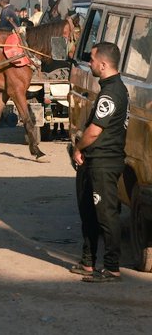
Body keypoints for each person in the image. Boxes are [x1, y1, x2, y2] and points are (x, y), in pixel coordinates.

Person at [71, 42, 128, 283]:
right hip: (94, 160)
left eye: (92, 60)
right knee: (89, 213)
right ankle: (88, 262)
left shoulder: (112, 92)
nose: (90, 63)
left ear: (103, 65)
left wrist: (78, 146)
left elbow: (95, 130)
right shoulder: (109, 88)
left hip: (104, 161)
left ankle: (112, 269)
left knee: (106, 215)